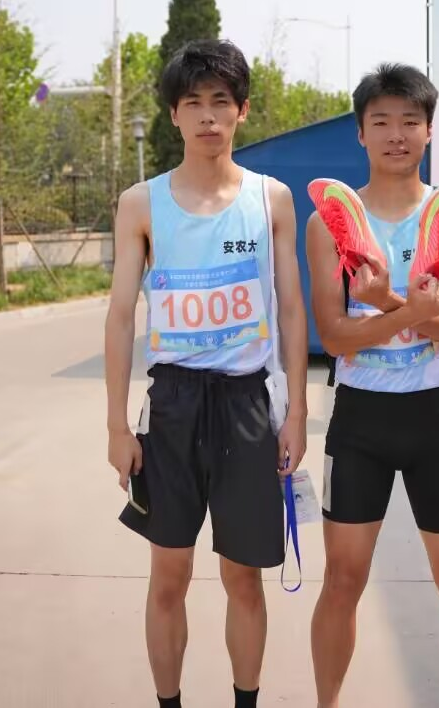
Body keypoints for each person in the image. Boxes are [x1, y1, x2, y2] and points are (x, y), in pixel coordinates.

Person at [103, 40, 309, 708]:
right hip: (172, 406)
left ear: (242, 110)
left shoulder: (271, 200)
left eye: (221, 101)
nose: (208, 116)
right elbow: (119, 316)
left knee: (243, 577)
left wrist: (297, 414)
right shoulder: (140, 204)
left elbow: (291, 309)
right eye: (193, 102)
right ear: (174, 114)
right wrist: (116, 426)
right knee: (169, 573)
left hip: (248, 404)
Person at [305, 64, 439, 708]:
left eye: (410, 121)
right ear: (360, 133)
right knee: (342, 579)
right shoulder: (332, 222)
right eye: (380, 121)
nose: (396, 134)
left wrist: (384, 305)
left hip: (436, 417)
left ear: (429, 130)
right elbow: (335, 336)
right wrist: (408, 311)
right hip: (360, 420)